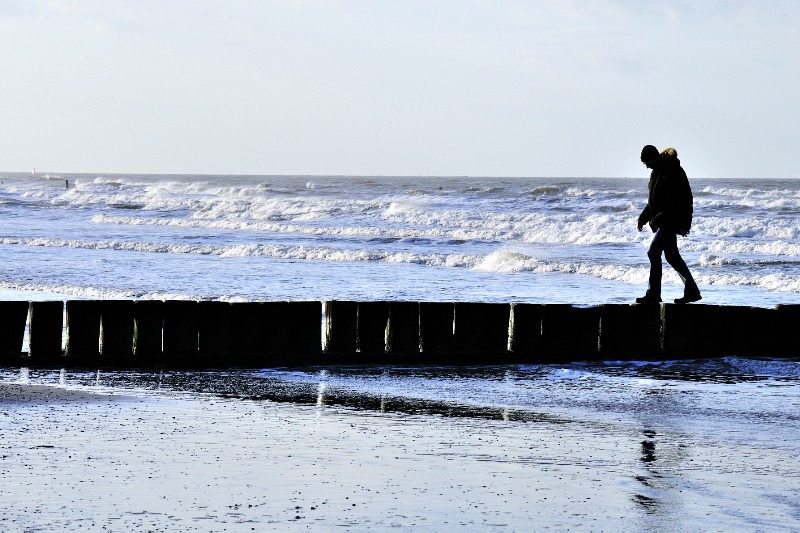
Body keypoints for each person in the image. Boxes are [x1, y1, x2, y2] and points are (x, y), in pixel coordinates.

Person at [635, 145, 702, 304]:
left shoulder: (674, 170)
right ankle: (692, 291)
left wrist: (685, 223)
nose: (646, 166)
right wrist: (642, 219)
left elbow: (686, 199)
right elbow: (653, 202)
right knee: (672, 256)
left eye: (646, 162)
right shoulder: (656, 172)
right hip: (661, 220)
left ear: (653, 158)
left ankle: (653, 294)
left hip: (670, 220)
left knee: (653, 252)